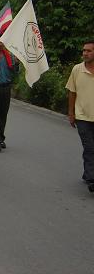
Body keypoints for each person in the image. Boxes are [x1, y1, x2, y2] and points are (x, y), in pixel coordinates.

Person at [66, 39, 94, 193]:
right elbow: (72, 92)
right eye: (84, 50)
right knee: (89, 147)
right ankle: (92, 178)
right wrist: (71, 113)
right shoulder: (77, 69)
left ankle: (87, 172)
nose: (85, 53)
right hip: (82, 116)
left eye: (89, 51)